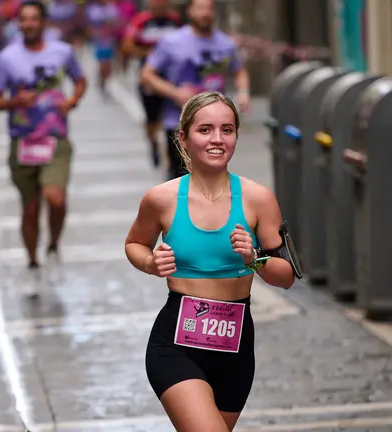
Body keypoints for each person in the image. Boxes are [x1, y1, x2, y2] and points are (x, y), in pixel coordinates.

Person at [124, 91, 295, 431]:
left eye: (227, 130)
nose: (217, 139)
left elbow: (286, 276)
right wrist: (150, 263)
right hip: (176, 344)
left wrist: (254, 258)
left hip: (236, 347)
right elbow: (135, 244)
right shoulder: (162, 199)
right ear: (184, 138)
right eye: (205, 130)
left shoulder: (258, 199)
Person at [0, 0, 86, 287]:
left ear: (44, 22)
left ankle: (53, 244)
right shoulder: (7, 58)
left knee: (56, 197)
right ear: (18, 23)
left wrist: (72, 100)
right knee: (30, 208)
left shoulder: (62, 51)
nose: (28, 24)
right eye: (24, 19)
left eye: (33, 19)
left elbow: (80, 81)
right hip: (22, 141)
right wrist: (15, 101)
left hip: (55, 138)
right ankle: (32, 260)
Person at [140, 0, 251, 180]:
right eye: (200, 8)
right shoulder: (171, 42)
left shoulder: (226, 43)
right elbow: (147, 75)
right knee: (182, 178)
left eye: (209, 9)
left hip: (215, 124)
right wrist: (175, 93)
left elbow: (239, 70)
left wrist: (243, 93)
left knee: (212, 176)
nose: (205, 13)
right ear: (190, 11)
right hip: (179, 121)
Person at [122, 0, 181, 168]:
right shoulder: (140, 21)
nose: (158, 8)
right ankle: (153, 143)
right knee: (152, 119)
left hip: (172, 78)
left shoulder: (175, 20)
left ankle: (172, 155)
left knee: (173, 118)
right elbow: (127, 45)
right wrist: (149, 53)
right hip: (149, 77)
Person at [85, 0, 120, 95]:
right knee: (103, 64)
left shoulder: (111, 8)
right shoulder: (92, 9)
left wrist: (109, 27)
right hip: (98, 42)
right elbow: (88, 25)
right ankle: (102, 81)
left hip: (110, 40)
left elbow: (116, 23)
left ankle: (104, 80)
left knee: (108, 65)